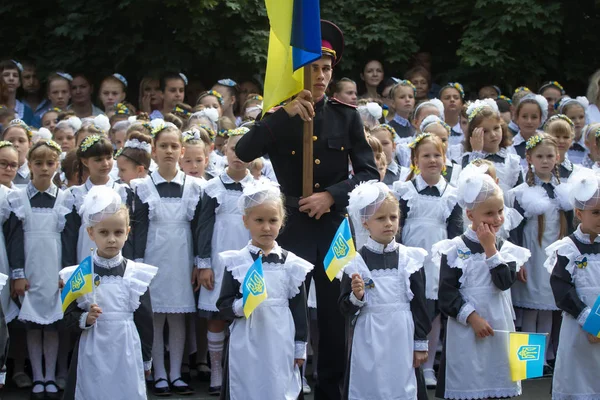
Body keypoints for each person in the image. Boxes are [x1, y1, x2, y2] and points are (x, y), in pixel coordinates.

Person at [235, 20, 379, 400]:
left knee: (334, 315)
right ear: (299, 71)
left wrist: (332, 195)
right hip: (291, 229)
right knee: (287, 310)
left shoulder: (345, 115)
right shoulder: (279, 114)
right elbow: (244, 151)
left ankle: (329, 389)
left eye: (326, 69)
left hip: (333, 229)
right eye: (313, 67)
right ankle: (288, 388)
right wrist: (282, 115)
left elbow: (369, 173)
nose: (320, 76)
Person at [435, 167, 531, 399]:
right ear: (470, 215)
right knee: (468, 383)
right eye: (489, 213)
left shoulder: (506, 249)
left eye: (500, 211)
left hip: (499, 327)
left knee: (499, 380)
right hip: (467, 330)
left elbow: (504, 283)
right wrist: (472, 317)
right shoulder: (454, 249)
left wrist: (491, 249)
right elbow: (447, 295)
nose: (497, 218)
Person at [217, 180, 313, 399]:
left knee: (279, 385)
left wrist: (300, 347)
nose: (266, 227)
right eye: (259, 220)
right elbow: (223, 305)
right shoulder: (237, 262)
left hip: (280, 339)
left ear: (282, 223)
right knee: (247, 384)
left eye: (273, 220)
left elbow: (299, 310)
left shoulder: (292, 265)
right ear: (245, 221)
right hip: (247, 338)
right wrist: (243, 305)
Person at [61, 185, 157, 400]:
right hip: (92, 349)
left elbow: (145, 320)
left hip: (126, 350)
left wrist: (146, 358)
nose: (112, 239)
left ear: (128, 232)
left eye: (118, 232)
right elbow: (66, 318)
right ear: (90, 233)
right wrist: (84, 318)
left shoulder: (136, 275)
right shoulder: (78, 275)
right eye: (104, 232)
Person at [339, 181, 430, 400]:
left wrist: (420, 343)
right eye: (380, 218)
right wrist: (357, 296)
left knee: (403, 386)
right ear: (365, 222)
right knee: (369, 387)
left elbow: (420, 304)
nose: (388, 223)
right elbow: (344, 308)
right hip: (369, 338)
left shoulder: (410, 258)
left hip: (402, 336)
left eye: (393, 217)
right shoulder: (355, 261)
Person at [131, 120, 201, 396]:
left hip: (181, 253)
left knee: (178, 316)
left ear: (182, 150)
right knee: (156, 314)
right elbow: (136, 227)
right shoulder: (141, 186)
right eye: (163, 146)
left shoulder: (195, 186)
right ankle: (158, 372)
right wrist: (136, 263)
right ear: (153, 150)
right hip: (152, 254)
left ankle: (176, 373)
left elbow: (198, 227)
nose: (169, 151)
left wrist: (199, 261)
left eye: (174, 146)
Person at [393, 133, 462, 389]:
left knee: (433, 314)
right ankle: (406, 361)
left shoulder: (452, 194)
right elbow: (397, 228)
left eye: (437, 155)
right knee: (410, 309)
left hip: (437, 260)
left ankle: (429, 364)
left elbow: (455, 232)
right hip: (410, 258)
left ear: (444, 159)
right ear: (415, 160)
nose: (432, 160)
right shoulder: (405, 191)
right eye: (426, 155)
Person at [5, 139, 73, 399]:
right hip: (30, 270)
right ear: (29, 165)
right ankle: (38, 376)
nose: (44, 168)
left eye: (50, 163)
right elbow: (14, 239)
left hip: (54, 270)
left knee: (53, 323)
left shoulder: (65, 199)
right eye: (38, 163)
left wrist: (66, 274)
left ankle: (51, 376)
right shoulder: (18, 198)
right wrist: (18, 274)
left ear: (56, 165)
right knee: (34, 325)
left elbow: (68, 240)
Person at [507, 133, 574, 372]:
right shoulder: (521, 192)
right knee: (530, 309)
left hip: (553, 255)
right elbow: (515, 229)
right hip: (531, 254)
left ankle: (543, 358)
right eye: (539, 156)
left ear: (557, 157)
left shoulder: (564, 191)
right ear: (529, 158)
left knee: (548, 306)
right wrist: (518, 261)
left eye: (549, 156)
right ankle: (527, 363)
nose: (545, 161)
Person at [196, 127, 253, 396]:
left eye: (244, 149)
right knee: (217, 315)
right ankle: (216, 369)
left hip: (249, 257)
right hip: (219, 258)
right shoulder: (212, 187)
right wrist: (203, 264)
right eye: (233, 149)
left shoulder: (259, 187)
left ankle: (240, 370)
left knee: (246, 314)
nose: (238, 155)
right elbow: (204, 227)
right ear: (223, 151)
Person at [546, 169, 600, 399]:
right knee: (578, 383)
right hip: (579, 327)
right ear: (579, 213)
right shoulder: (567, 249)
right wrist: (591, 322)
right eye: (596, 212)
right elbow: (562, 289)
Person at [68, 134, 133, 265]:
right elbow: (70, 235)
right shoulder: (75, 194)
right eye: (98, 160)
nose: (105, 164)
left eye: (109, 158)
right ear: (85, 161)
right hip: (86, 252)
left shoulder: (123, 191)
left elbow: (130, 233)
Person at [461, 99, 523, 197]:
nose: (493, 135)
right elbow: (469, 184)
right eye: (485, 131)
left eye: (496, 128)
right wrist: (477, 152)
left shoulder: (512, 160)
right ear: (474, 133)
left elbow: (520, 192)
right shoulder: (469, 158)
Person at [420, 115, 461, 186]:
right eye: (434, 139)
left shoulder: (456, 171)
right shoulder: (417, 169)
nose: (440, 144)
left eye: (443, 140)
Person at [511, 93, 548, 163]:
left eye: (534, 117)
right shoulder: (511, 145)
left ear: (541, 119)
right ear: (517, 118)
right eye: (524, 116)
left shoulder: (547, 142)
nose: (529, 121)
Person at [0, 60, 36, 126]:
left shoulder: (26, 111)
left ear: (19, 82)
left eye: (15, 75)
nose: (11, 78)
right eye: (6, 75)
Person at [544, 114, 580, 178]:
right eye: (557, 136)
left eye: (566, 137)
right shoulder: (537, 168)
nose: (561, 141)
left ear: (571, 139)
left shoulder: (576, 171)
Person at [556, 96, 589, 164]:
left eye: (581, 117)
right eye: (572, 118)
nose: (578, 121)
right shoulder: (558, 141)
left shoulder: (589, 140)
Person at [2, 119, 32, 188]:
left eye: (21, 141)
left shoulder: (36, 173)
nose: (16, 144)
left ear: (29, 144)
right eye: (10, 141)